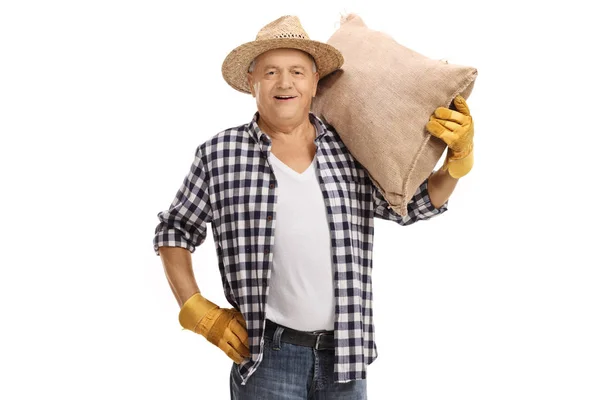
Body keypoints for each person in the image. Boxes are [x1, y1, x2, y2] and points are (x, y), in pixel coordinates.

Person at [153, 15, 475, 400]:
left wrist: (458, 161)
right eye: (270, 72)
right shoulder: (219, 154)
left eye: (297, 71)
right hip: (266, 357)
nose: (285, 83)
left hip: (345, 358)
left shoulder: (348, 150)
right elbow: (175, 231)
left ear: (315, 82)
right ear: (252, 82)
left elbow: (410, 206)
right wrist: (196, 309)